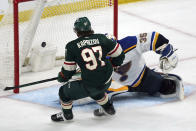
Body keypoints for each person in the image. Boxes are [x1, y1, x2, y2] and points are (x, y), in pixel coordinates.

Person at [51, 17, 125, 122]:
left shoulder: (71, 46)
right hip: (107, 80)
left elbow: (68, 71)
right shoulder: (102, 38)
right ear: (90, 28)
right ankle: (109, 108)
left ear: (76, 31)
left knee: (63, 92)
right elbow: (120, 55)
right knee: (97, 89)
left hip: (91, 84)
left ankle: (66, 115)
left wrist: (62, 77)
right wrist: (114, 63)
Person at [106, 32, 184, 100]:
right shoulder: (99, 58)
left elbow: (153, 38)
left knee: (167, 86)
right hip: (114, 85)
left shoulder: (129, 43)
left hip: (143, 78)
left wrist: (166, 50)